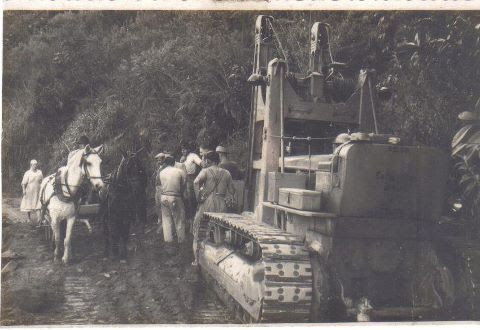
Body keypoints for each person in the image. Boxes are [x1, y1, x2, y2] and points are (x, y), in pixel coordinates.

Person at [192, 151, 235, 266]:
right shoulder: (227, 173)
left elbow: (195, 182)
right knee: (219, 231)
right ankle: (218, 262)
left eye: (205, 160)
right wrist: (228, 198)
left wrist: (198, 197)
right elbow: (232, 190)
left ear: (208, 161)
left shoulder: (205, 171)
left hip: (207, 202)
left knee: (198, 231)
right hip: (221, 203)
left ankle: (197, 260)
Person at [158, 155, 187, 244]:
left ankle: (168, 241)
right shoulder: (179, 171)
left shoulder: (161, 172)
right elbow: (183, 184)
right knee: (178, 219)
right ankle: (181, 240)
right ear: (174, 163)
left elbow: (160, 186)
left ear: (166, 163)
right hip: (176, 196)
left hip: (164, 196)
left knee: (166, 219)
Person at [180, 145, 203, 224]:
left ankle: (196, 220)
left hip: (192, 178)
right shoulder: (182, 158)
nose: (183, 151)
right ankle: (189, 220)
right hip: (184, 180)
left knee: (193, 199)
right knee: (185, 199)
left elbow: (201, 163)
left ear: (188, 149)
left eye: (185, 149)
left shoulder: (192, 156)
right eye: (182, 150)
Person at [20, 159, 43, 224]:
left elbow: (41, 181)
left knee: (38, 203)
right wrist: (24, 190)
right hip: (30, 190)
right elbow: (23, 183)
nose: (35, 166)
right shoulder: (28, 173)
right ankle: (28, 218)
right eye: (34, 164)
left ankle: (39, 218)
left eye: (36, 164)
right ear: (31, 165)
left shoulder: (39, 172)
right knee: (29, 204)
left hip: (38, 190)